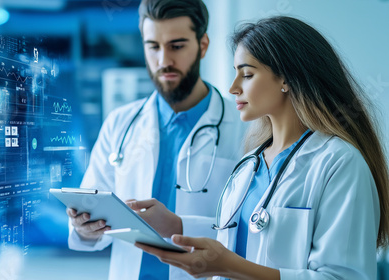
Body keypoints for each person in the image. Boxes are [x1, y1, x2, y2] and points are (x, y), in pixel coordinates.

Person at [135, 15, 389, 279]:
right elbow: (245, 239)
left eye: (247, 74)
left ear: (286, 79)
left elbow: (342, 276)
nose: (233, 88)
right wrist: (176, 225)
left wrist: (227, 266)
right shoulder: (250, 164)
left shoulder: (339, 164)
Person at [66, 0, 246, 279]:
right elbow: (92, 214)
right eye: (153, 46)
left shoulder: (245, 127)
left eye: (176, 46)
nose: (164, 61)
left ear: (203, 45)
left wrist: (180, 226)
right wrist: (84, 228)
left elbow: (252, 230)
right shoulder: (119, 124)